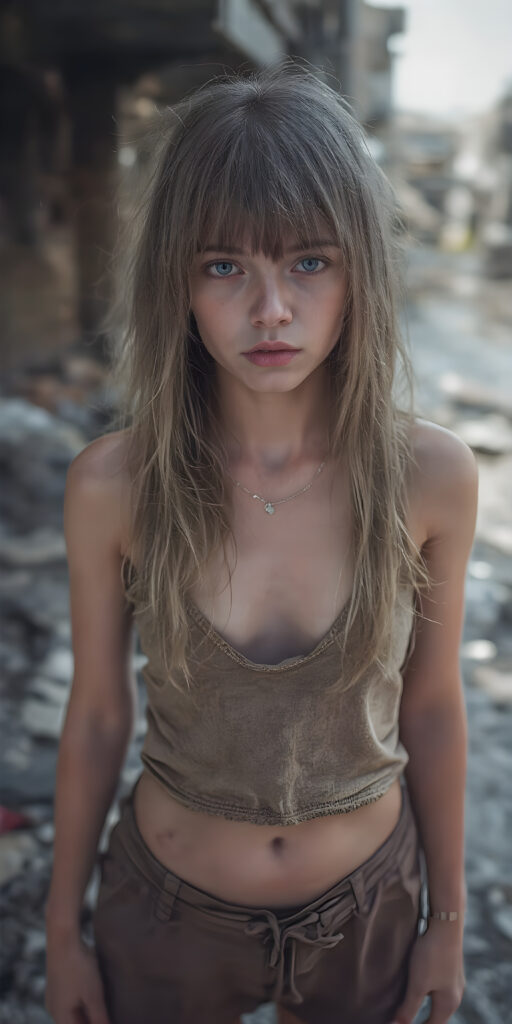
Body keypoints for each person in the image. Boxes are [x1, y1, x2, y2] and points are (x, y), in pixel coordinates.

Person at [44, 62, 477, 1024]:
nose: (271, 309)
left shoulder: (429, 475)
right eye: (225, 265)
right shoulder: (117, 484)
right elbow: (98, 715)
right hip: (166, 916)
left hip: (367, 909)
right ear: (180, 284)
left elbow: (436, 706)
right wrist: (62, 930)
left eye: (309, 262)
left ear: (359, 269)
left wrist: (447, 917)